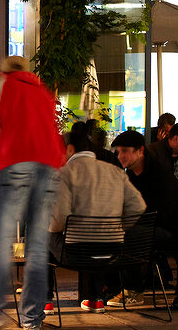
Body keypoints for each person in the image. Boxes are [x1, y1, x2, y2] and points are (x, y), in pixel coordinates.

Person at [0, 55, 65, 330]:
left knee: (2, 241)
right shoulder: (43, 93)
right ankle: (32, 318)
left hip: (14, 165)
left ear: (3, 71)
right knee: (37, 247)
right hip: (49, 167)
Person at [50, 126, 146, 312]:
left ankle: (45, 299)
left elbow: (59, 218)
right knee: (94, 240)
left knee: (42, 234)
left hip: (77, 253)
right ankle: (94, 298)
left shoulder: (64, 174)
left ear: (70, 150)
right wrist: (119, 227)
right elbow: (138, 206)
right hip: (112, 250)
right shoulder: (116, 172)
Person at [110, 129, 178, 306]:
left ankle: (134, 291)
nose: (120, 156)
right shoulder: (131, 174)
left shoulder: (159, 174)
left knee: (129, 236)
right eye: (118, 151)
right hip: (149, 226)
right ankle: (115, 287)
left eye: (125, 151)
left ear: (140, 151)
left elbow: (163, 212)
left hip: (172, 230)